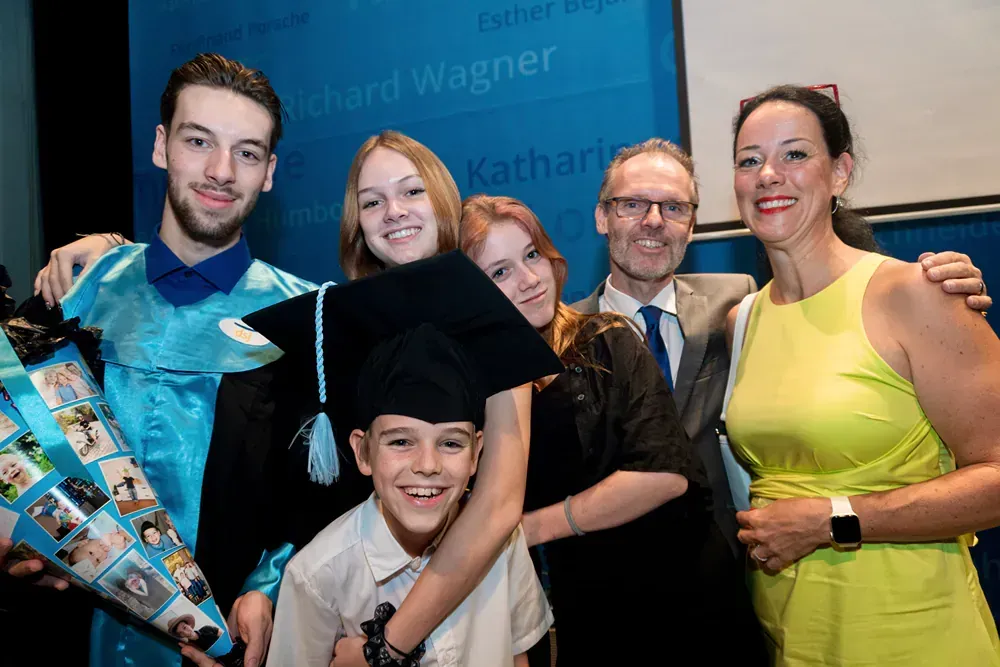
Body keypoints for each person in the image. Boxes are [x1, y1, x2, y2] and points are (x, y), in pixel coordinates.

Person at [1, 52, 317, 667]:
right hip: (61, 632)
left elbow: (325, 495)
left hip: (223, 639)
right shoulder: (78, 293)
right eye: (199, 141)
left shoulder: (303, 318)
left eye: (247, 152)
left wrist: (271, 586)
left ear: (270, 172)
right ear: (160, 146)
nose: (221, 171)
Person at [573, 138, 993, 555]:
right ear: (601, 217)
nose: (653, 221)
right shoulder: (563, 336)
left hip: (733, 569)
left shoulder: (738, 305)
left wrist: (937, 287)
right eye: (632, 204)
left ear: (692, 224)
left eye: (674, 207)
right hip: (605, 573)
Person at [725, 84, 1000, 665]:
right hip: (791, 636)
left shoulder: (916, 293)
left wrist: (833, 521)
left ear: (840, 172)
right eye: (750, 161)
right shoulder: (742, 320)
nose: (769, 174)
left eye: (794, 154)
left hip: (912, 635)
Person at [461, 194, 767, 664]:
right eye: (499, 272)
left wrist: (523, 529)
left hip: (683, 600)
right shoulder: (475, 387)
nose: (528, 280)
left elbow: (664, 474)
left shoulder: (605, 338)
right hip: (585, 612)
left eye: (531, 255)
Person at [256, 252, 560, 666]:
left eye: (452, 443)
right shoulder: (316, 577)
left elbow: (520, 655)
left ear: (477, 454)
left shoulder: (503, 547)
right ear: (362, 451)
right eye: (401, 442)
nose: (428, 464)